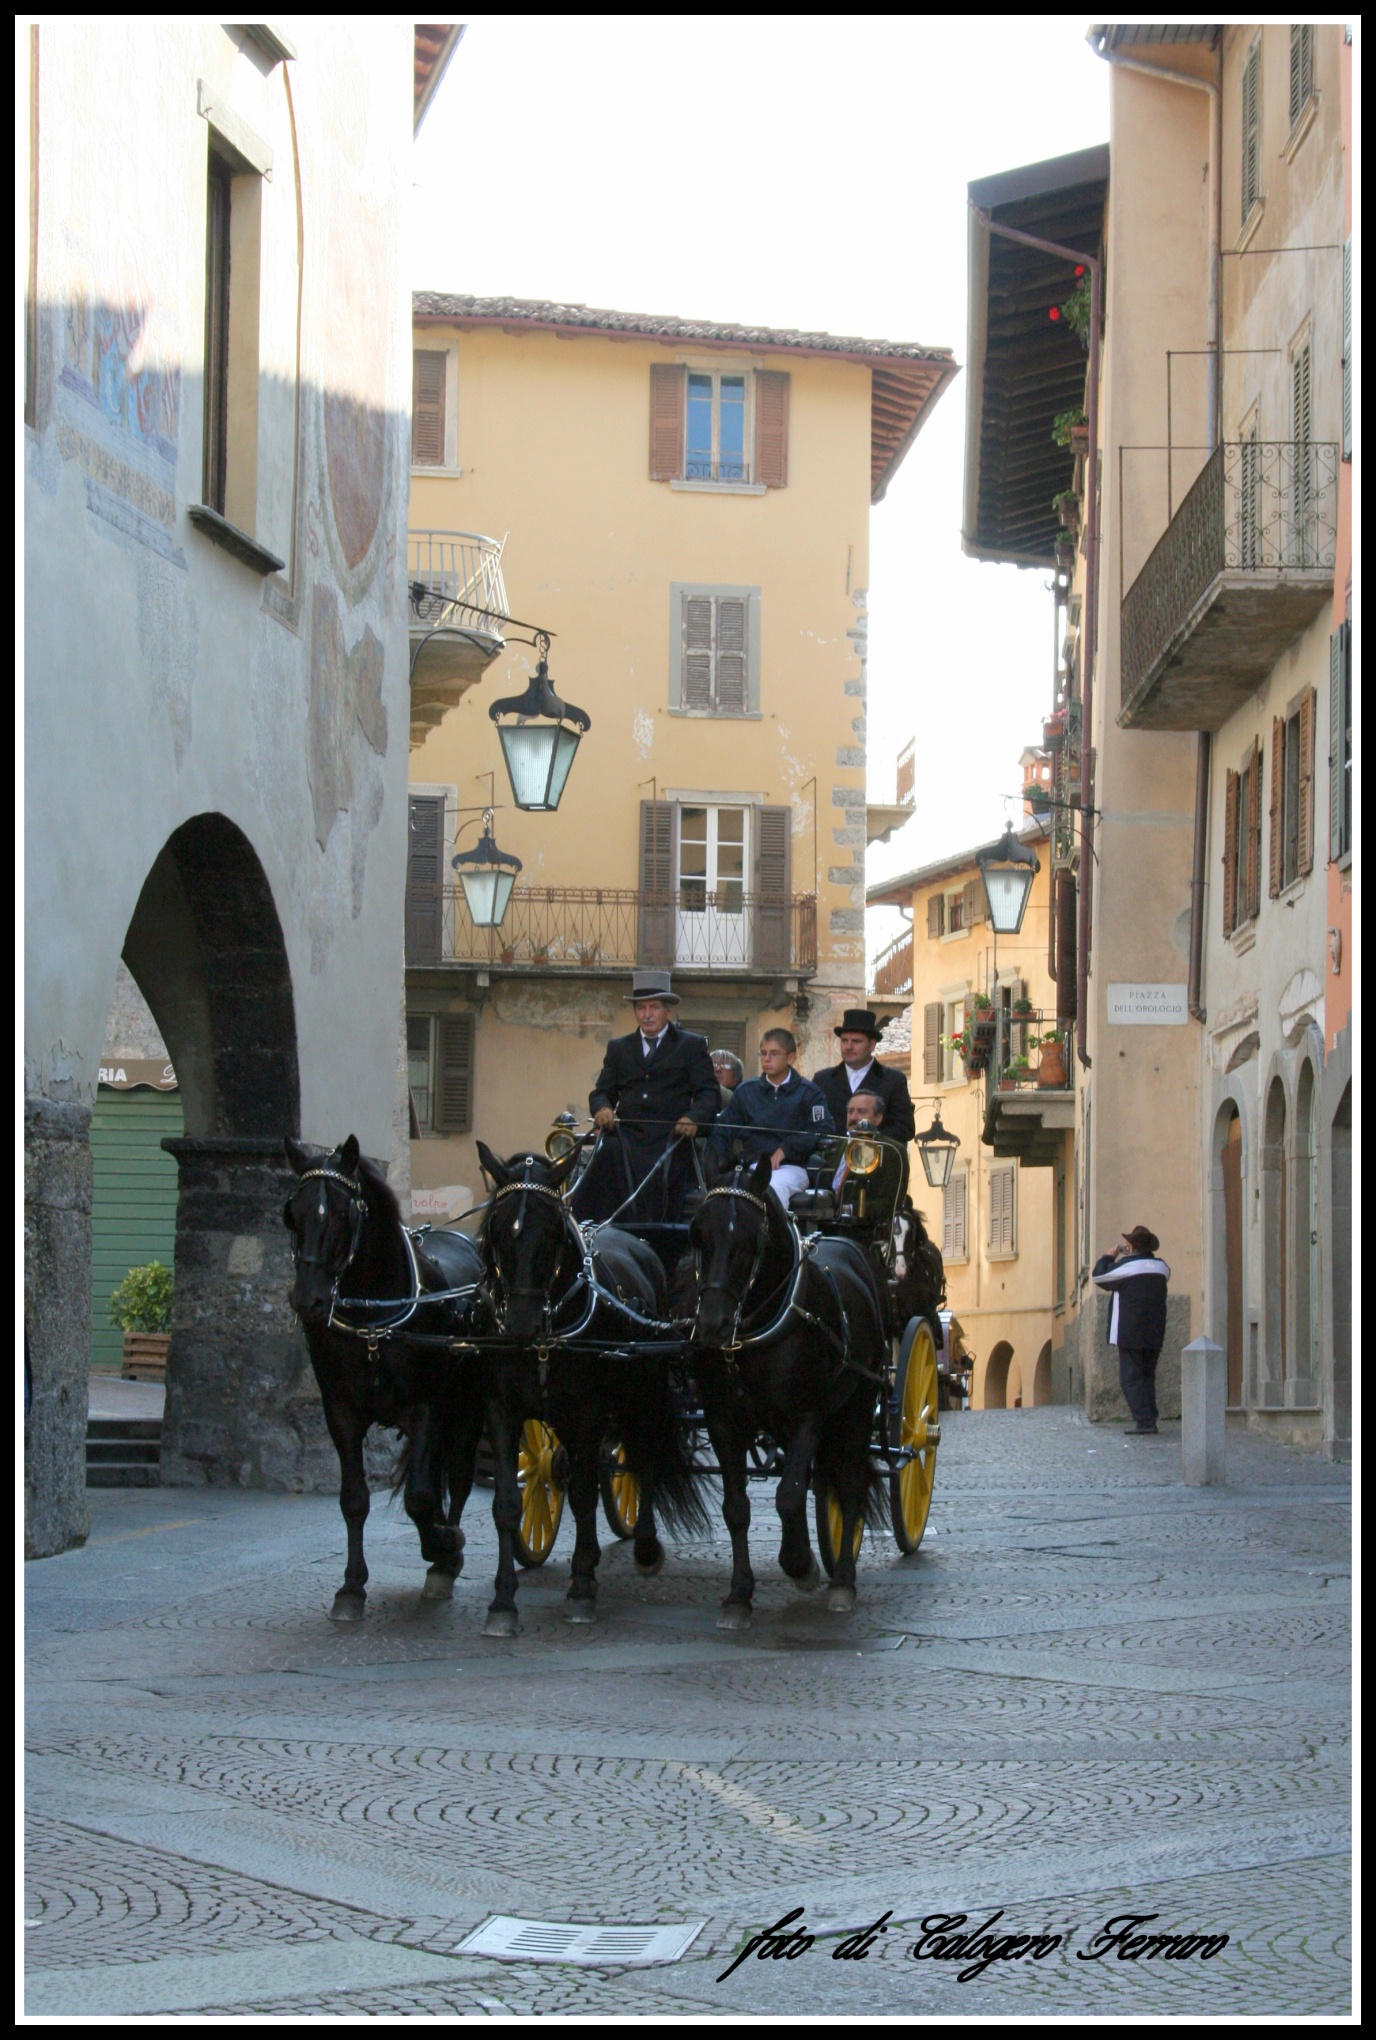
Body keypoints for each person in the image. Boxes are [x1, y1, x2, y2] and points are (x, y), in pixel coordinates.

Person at [574, 971, 719, 1223]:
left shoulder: (691, 1046)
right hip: (627, 1136)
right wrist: (603, 1109)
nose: (647, 1014)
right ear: (635, 1012)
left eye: (654, 1007)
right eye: (641, 1008)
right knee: (601, 1162)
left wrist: (693, 1118)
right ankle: (592, 1230)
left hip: (670, 1137)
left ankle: (658, 1234)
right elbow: (601, 1091)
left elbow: (709, 1093)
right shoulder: (619, 1048)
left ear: (668, 1011)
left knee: (667, 1172)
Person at [707, 1027, 833, 1209]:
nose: (766, 1059)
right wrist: (717, 1169)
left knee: (770, 1189)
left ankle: (770, 1237)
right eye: (763, 1053)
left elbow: (823, 1129)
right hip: (749, 1167)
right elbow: (723, 1129)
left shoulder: (809, 1093)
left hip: (792, 1168)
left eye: (774, 1053)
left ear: (790, 1058)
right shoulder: (745, 1092)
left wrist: (787, 1148)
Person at [1092, 1225, 1171, 1435]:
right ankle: (1150, 1418)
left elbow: (1099, 1277)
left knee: (1131, 1378)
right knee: (1147, 1376)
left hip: (1129, 1331)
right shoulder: (1162, 1267)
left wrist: (1108, 1257)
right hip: (1155, 1331)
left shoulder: (1126, 1268)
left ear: (1132, 1246)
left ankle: (1144, 1421)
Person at [812, 1009, 916, 1146]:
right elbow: (813, 1124)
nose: (848, 1047)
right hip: (832, 1162)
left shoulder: (894, 1080)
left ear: (872, 1045)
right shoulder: (823, 1080)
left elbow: (905, 1128)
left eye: (856, 1041)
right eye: (844, 1041)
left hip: (877, 1161)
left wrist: (866, 1140)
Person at [711, 1048, 744, 1113]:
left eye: (726, 1065)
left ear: (736, 1073)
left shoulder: (744, 1099)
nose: (718, 1069)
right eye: (713, 1065)